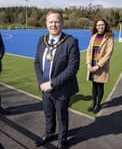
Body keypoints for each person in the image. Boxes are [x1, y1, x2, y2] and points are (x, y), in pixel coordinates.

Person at [34, 10, 80, 149]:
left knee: (61, 116)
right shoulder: (41, 40)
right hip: (45, 88)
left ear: (62, 23)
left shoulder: (70, 41)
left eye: (57, 21)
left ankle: (62, 139)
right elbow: (36, 62)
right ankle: (49, 134)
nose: (53, 25)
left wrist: (52, 83)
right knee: (48, 114)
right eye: (50, 22)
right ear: (46, 23)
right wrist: (42, 82)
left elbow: (72, 68)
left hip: (62, 89)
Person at [86, 18, 114, 113]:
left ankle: (98, 104)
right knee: (94, 85)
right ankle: (93, 103)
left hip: (101, 66)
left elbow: (108, 54)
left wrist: (98, 65)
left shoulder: (109, 37)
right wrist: (89, 64)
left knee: (100, 86)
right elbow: (89, 51)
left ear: (105, 25)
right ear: (96, 26)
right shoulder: (93, 36)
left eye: (102, 25)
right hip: (92, 64)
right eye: (98, 25)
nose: (100, 26)